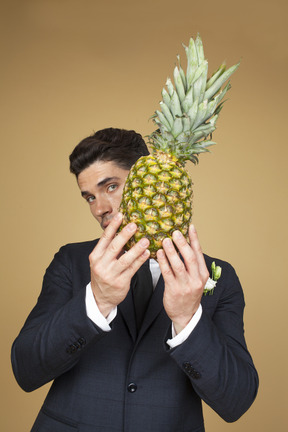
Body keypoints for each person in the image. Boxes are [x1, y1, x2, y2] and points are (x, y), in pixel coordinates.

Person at [11, 128, 258, 432]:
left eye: (111, 186)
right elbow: (25, 370)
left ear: (149, 181)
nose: (99, 208)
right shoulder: (71, 261)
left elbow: (237, 400)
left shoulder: (215, 278)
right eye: (89, 197)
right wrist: (96, 302)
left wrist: (187, 318)